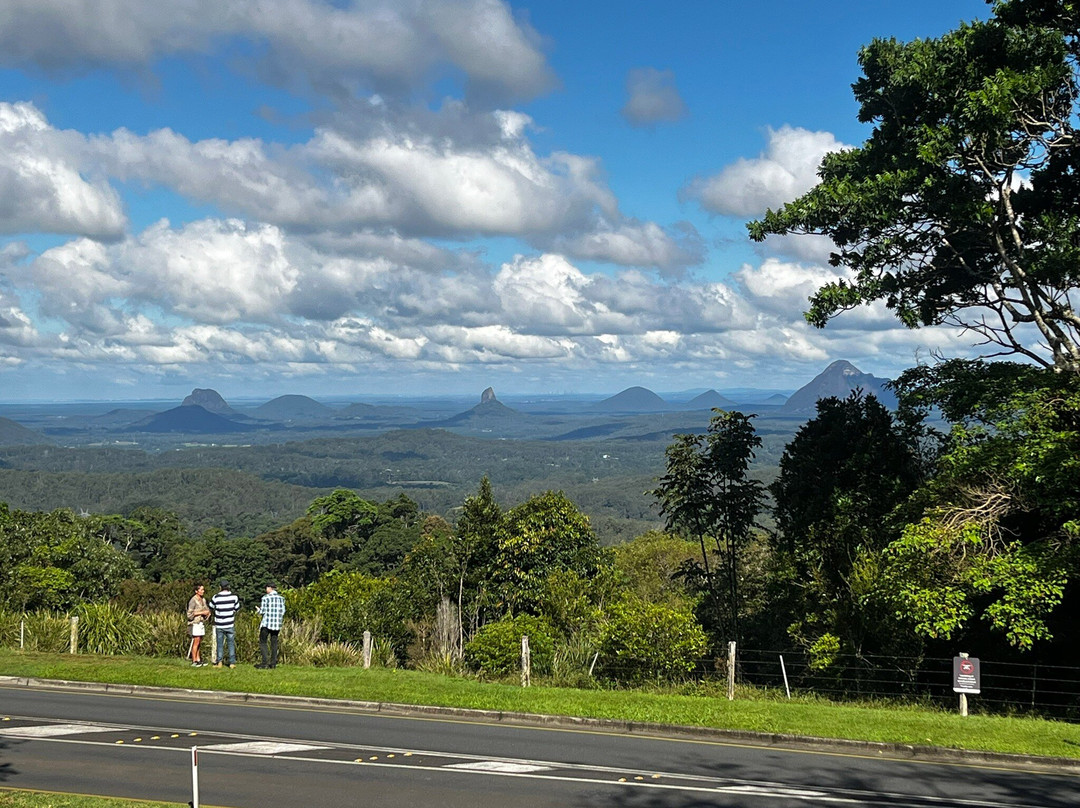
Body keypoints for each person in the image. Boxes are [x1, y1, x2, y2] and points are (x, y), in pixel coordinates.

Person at [209, 579, 240, 668]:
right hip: (230, 623)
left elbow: (211, 607)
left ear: (220, 587)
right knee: (231, 643)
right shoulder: (234, 597)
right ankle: (232, 663)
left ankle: (219, 662)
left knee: (220, 644)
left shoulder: (216, 597)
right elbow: (237, 608)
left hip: (219, 624)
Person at [255, 582, 286, 669]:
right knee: (274, 643)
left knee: (263, 642)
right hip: (276, 624)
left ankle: (264, 662)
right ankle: (273, 663)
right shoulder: (281, 598)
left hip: (267, 623)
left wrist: (258, 610)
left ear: (269, 588)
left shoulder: (266, 598)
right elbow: (283, 611)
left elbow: (263, 611)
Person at [185, 584, 210, 667]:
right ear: (196, 591)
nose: (203, 591)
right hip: (195, 623)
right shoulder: (193, 600)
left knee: (199, 641)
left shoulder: (203, 600)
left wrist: (207, 614)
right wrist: (202, 613)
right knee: (196, 641)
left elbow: (206, 609)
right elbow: (189, 614)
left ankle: (198, 659)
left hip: (201, 622)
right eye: (201, 590)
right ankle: (194, 660)